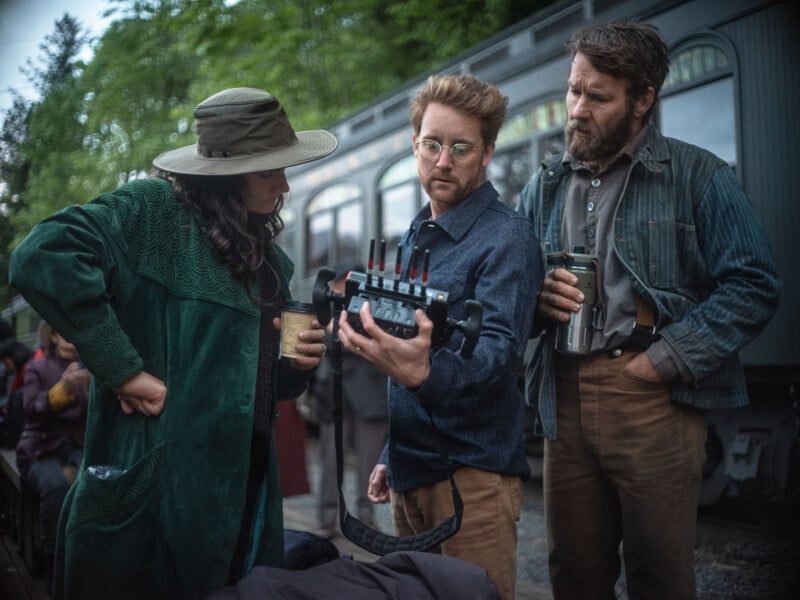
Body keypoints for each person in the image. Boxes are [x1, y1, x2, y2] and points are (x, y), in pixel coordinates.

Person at [8, 87, 335, 599]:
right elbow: (42, 255)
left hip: (246, 495)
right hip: (157, 496)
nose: (285, 183)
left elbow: (269, 388)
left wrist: (299, 362)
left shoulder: (270, 262)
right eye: (271, 169)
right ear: (229, 174)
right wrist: (122, 368)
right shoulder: (152, 212)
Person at [516, 22, 781, 600]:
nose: (577, 109)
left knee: (659, 576)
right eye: (573, 89)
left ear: (642, 102)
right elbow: (512, 289)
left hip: (651, 395)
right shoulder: (546, 185)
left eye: (598, 96)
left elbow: (755, 284)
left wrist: (665, 360)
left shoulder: (697, 174)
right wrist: (535, 302)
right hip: (562, 395)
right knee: (573, 574)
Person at [337, 74, 543, 600]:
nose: (443, 161)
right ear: (415, 146)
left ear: (488, 152)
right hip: (411, 470)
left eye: (460, 147)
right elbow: (408, 348)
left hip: (473, 477)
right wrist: (390, 450)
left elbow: (498, 352)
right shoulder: (413, 234)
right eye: (431, 144)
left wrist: (425, 372)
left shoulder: (508, 236)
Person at [314, 263, 388, 537]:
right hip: (334, 394)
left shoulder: (377, 304)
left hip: (370, 394)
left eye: (337, 284)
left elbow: (360, 342)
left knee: (369, 462)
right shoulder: (328, 304)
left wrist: (339, 331)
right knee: (330, 461)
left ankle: (366, 519)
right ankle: (326, 519)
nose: (333, 290)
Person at [16, 322, 89, 594]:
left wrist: (93, 388)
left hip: (77, 447)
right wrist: (64, 388)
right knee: (56, 487)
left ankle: (85, 564)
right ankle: (54, 569)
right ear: (55, 336)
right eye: (63, 329)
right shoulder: (38, 367)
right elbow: (32, 408)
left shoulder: (91, 367)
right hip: (40, 449)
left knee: (93, 483)